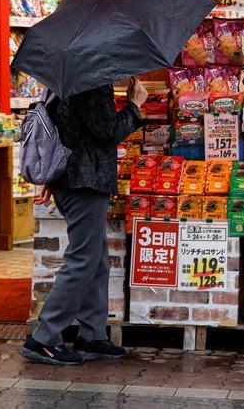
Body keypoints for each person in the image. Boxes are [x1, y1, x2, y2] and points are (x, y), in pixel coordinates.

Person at [21, 78, 148, 366]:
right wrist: (134, 105)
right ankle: (44, 338)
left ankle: (92, 335)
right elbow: (107, 131)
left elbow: (66, 128)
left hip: (72, 179)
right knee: (82, 259)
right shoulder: (92, 83)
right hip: (84, 182)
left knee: (96, 259)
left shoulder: (66, 79)